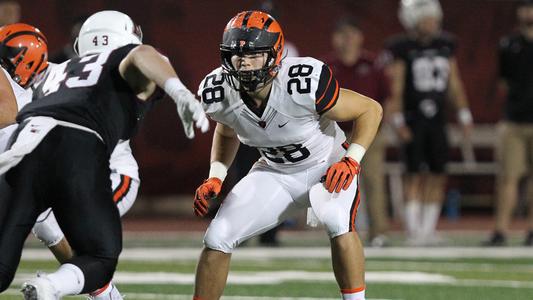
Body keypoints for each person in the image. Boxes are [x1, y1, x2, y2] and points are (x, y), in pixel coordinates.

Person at [0, 10, 209, 299]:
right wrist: (179, 91)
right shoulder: (125, 58)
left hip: (24, 151)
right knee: (100, 255)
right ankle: (52, 286)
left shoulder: (53, 70)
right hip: (82, 152)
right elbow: (142, 55)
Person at [193, 11, 382, 300]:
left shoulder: (302, 82)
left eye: (254, 55)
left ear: (275, 55)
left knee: (335, 218)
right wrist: (216, 176)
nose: (243, 63)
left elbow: (370, 109)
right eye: (236, 56)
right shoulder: (218, 91)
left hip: (326, 164)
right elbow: (227, 129)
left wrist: (351, 159)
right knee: (218, 237)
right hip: (274, 171)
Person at [385, 0, 473, 246]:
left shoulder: (446, 45)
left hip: (438, 120)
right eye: (427, 19)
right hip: (414, 118)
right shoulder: (402, 48)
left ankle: (427, 229)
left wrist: (464, 112)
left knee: (438, 173)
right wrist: (398, 120)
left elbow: (454, 81)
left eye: (434, 19)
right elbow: (397, 87)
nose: (433, 23)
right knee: (413, 173)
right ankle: (413, 231)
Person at [324, 16, 391, 247]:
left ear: (360, 37)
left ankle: (378, 232)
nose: (347, 40)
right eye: (342, 34)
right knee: (328, 180)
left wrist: (380, 125)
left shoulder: (373, 64)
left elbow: (388, 98)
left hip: (367, 132)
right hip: (333, 134)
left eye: (351, 34)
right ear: (334, 39)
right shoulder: (326, 67)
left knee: (372, 181)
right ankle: (335, 230)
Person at [484, 0, 533, 247]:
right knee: (508, 177)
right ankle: (500, 230)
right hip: (514, 119)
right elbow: (503, 83)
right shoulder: (509, 44)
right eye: (525, 8)